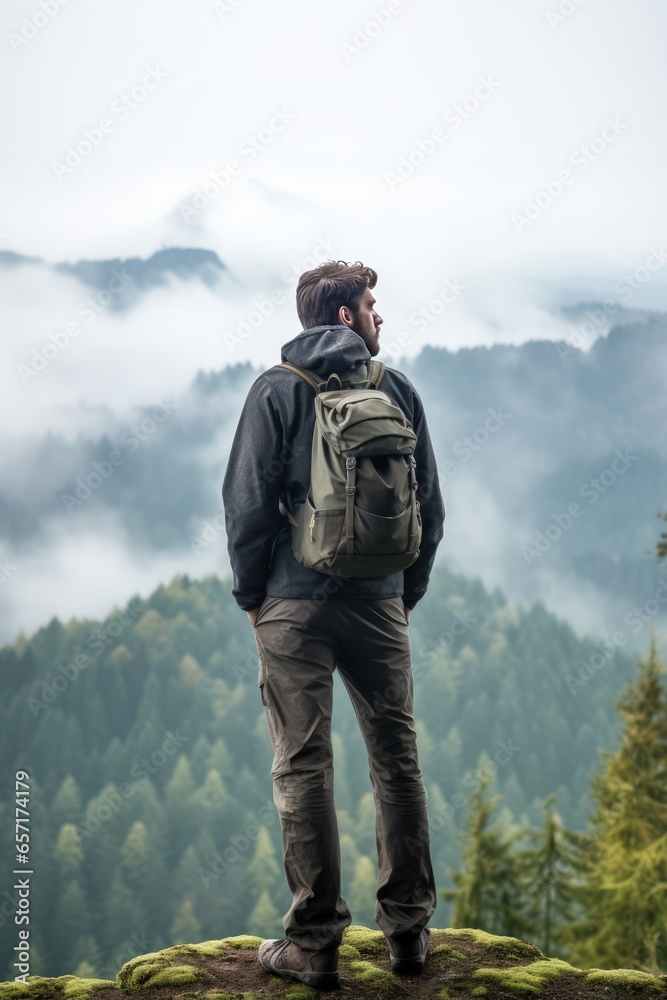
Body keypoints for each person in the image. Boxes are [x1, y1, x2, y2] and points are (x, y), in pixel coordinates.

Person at [222, 260, 446, 989]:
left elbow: (248, 506)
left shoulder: (276, 391)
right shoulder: (395, 389)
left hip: (293, 606)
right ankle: (407, 935)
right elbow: (431, 509)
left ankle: (315, 947)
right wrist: (400, 592)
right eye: (372, 304)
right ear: (344, 317)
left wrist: (254, 597)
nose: (381, 316)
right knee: (396, 759)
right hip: (379, 603)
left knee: (302, 763)